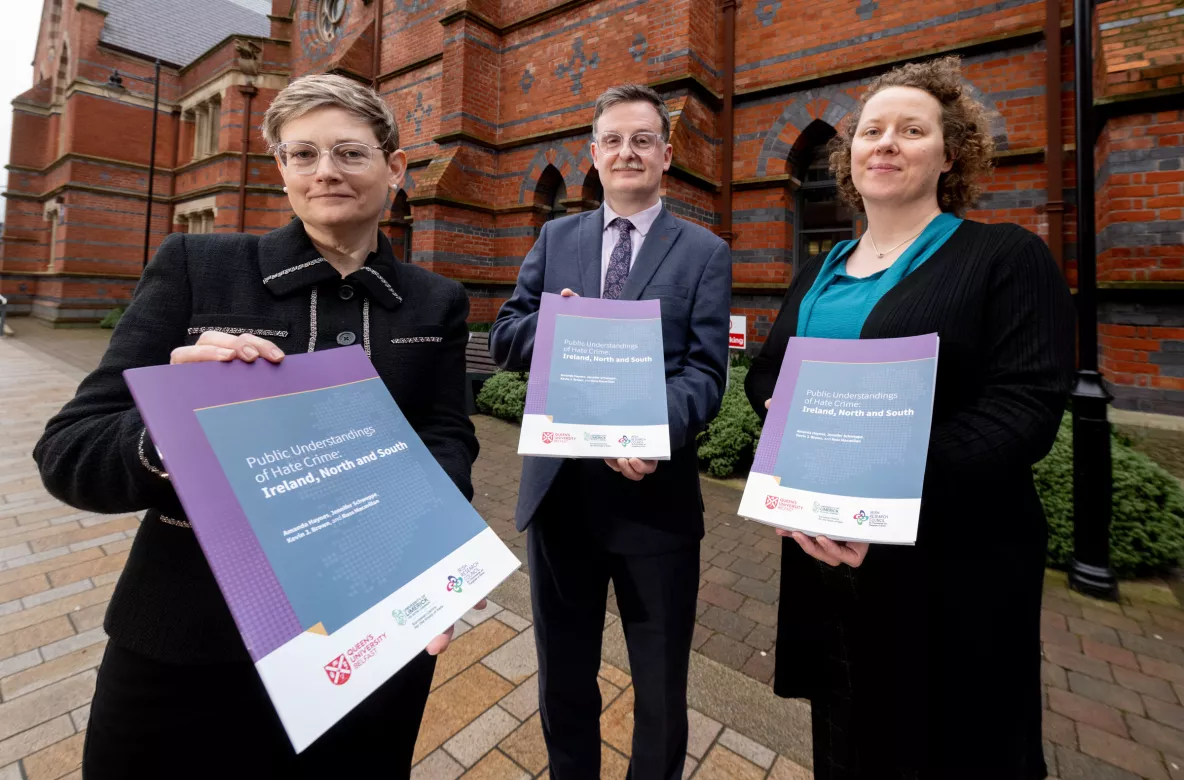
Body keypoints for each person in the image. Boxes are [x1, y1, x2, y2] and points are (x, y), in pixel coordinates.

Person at [33, 74, 481, 779]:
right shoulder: (198, 267)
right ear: (281, 170)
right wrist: (174, 427)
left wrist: (438, 552)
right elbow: (69, 451)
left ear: (395, 168)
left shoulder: (436, 302)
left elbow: (445, 435)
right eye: (302, 154)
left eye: (349, 153)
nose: (325, 170)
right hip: (189, 638)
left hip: (367, 639)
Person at [744, 56, 1074, 779]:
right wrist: (782, 419)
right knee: (845, 733)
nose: (885, 143)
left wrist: (876, 487)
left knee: (950, 745)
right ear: (851, 153)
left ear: (950, 153)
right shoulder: (819, 269)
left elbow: (1024, 410)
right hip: (823, 557)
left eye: (911, 130)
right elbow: (768, 375)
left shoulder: (1003, 257)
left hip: (950, 563)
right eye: (871, 131)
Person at [490, 84, 731, 779]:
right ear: (593, 156)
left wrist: (651, 431)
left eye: (642, 139)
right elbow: (505, 334)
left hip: (653, 505)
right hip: (560, 497)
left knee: (659, 690)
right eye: (613, 140)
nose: (627, 152)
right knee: (564, 678)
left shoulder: (704, 252)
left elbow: (706, 373)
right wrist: (553, 329)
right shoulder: (554, 238)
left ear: (665, 154)